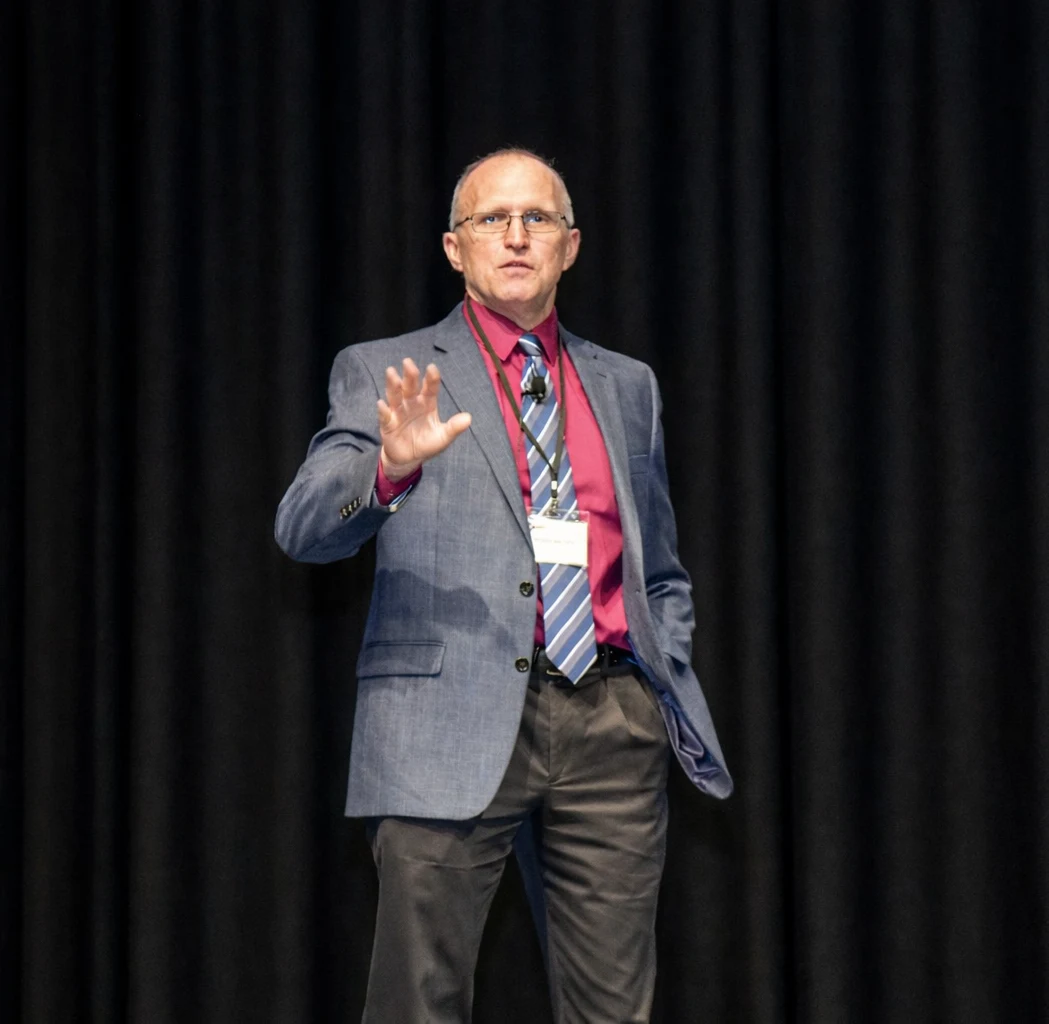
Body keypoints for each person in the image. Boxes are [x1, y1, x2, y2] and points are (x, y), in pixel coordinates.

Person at [275, 148, 732, 1023]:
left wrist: (657, 668)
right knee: (420, 1002)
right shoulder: (385, 370)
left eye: (538, 220)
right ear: (455, 248)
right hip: (446, 726)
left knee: (613, 1011)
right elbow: (299, 528)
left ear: (571, 245)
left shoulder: (625, 384)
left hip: (611, 724)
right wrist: (388, 471)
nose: (516, 237)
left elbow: (658, 562)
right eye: (492, 220)